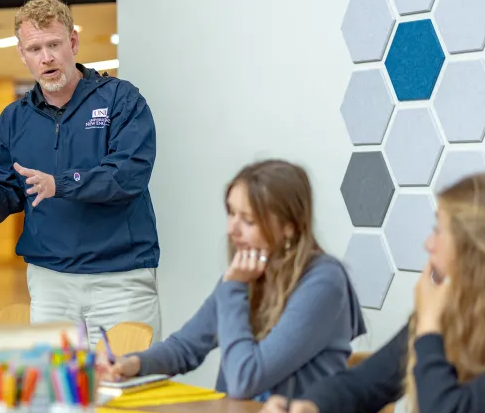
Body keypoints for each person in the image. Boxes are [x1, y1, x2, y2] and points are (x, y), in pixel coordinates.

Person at [257, 173, 485, 413]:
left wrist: (430, 328)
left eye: (439, 230)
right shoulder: (452, 318)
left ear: (478, 250)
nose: (428, 244)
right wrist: (309, 409)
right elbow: (362, 385)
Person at [0, 0, 160, 347]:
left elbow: (128, 175)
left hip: (120, 278)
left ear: (72, 42)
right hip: (50, 280)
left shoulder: (121, 100)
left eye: (54, 44)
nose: (46, 57)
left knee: (130, 387)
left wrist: (60, 184)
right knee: (55, 395)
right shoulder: (12, 120)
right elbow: (7, 196)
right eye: (35, 48)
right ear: (22, 54)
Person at [98, 160, 366, 400]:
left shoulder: (324, 281)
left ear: (290, 226)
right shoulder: (250, 271)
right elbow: (185, 347)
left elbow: (245, 379)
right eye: (231, 214)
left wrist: (234, 287)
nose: (231, 230)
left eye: (248, 220)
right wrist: (133, 364)